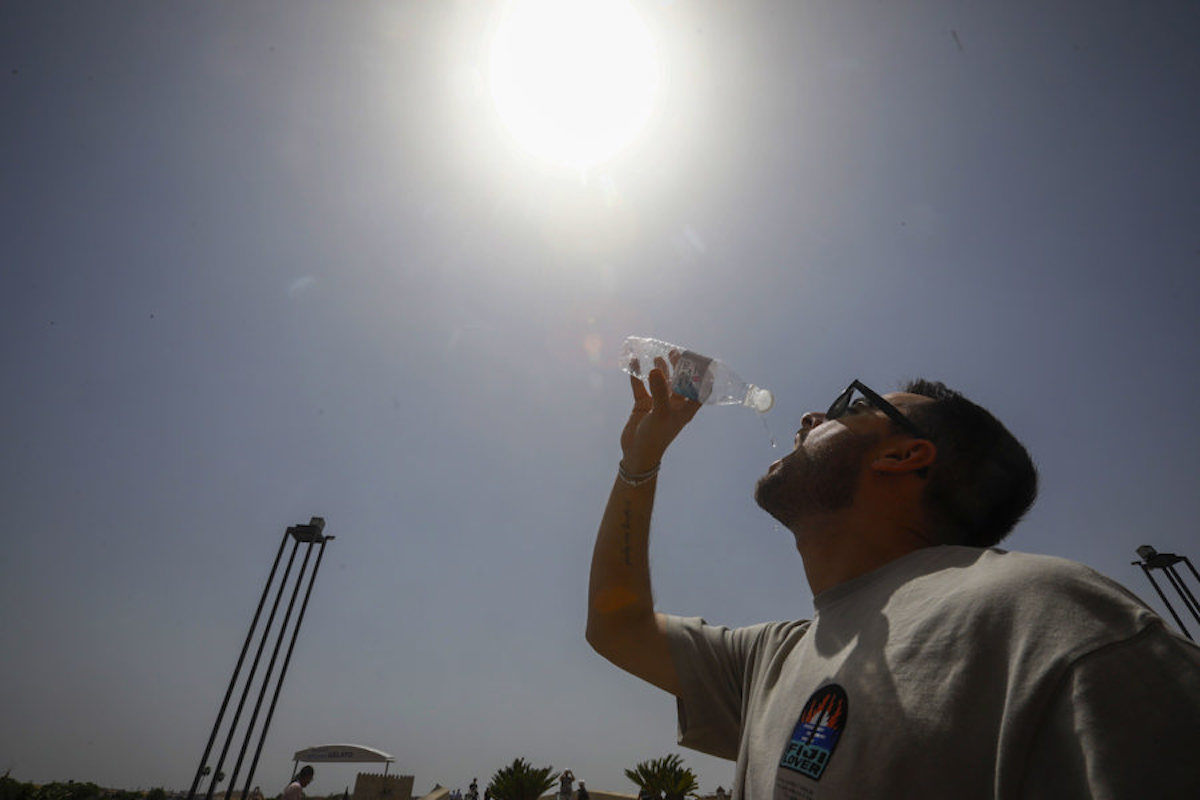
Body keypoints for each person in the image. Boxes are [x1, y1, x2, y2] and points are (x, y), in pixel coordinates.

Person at [587, 363, 1200, 797]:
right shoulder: (773, 658)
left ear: (904, 455)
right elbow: (618, 626)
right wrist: (639, 462)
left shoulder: (1047, 616)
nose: (809, 415)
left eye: (850, 408)